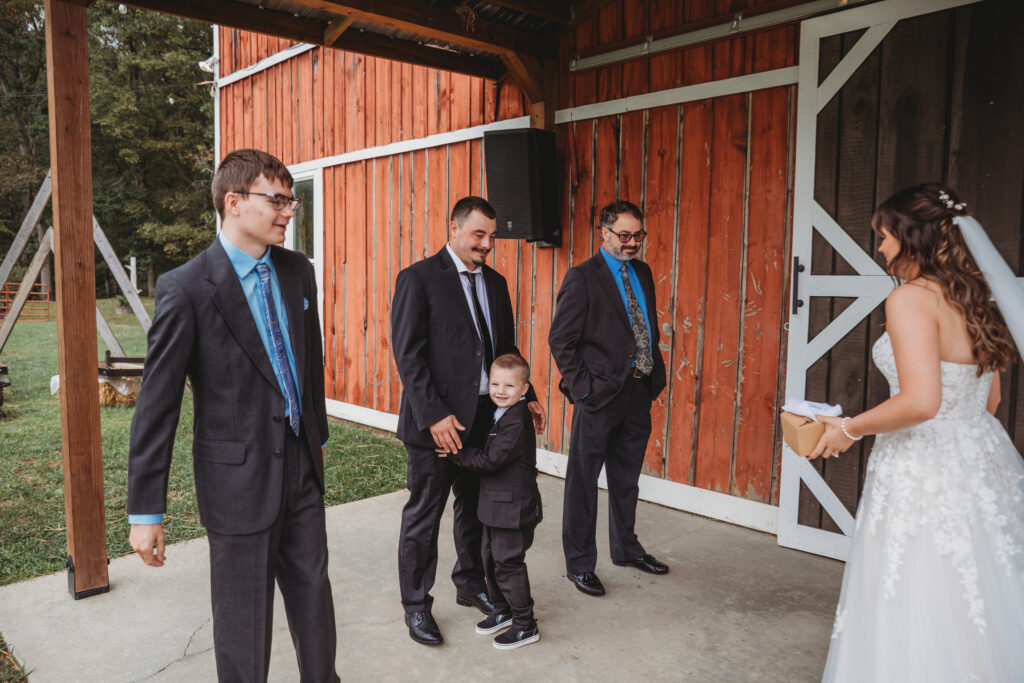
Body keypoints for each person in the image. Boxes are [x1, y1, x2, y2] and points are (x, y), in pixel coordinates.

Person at [127, 149, 339, 682]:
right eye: (278, 199)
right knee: (243, 625)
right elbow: (157, 405)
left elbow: (308, 359)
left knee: (315, 598)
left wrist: (315, 436)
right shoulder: (187, 287)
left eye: (291, 199)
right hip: (236, 484)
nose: (289, 210)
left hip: (300, 468)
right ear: (234, 202)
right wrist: (145, 512)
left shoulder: (297, 271)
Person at [809, 183, 1024, 682]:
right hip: (982, 456)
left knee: (920, 589)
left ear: (910, 237)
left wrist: (849, 427)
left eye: (884, 237)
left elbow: (922, 402)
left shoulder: (909, 300)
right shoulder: (976, 296)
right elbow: (989, 400)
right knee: (986, 588)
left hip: (923, 466)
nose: (880, 248)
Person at [390, 196, 546, 646]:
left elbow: (506, 349)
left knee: (477, 511)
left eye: (492, 237)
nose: (486, 244)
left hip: (486, 419)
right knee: (424, 514)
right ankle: (416, 605)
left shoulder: (496, 284)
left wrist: (526, 395)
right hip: (434, 423)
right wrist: (435, 415)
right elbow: (409, 356)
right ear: (454, 228)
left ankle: (471, 583)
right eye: (479, 235)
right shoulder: (418, 279)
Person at [549, 200, 670, 598]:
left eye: (639, 235)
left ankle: (626, 548)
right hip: (598, 397)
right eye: (624, 235)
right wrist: (584, 389)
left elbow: (645, 325)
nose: (633, 242)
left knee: (626, 480)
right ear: (603, 233)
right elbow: (561, 341)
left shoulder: (643, 271)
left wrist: (654, 371)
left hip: (639, 390)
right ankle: (580, 564)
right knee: (583, 484)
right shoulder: (582, 278)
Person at [444, 353, 543, 650]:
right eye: (496, 383)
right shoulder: (500, 412)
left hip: (513, 509)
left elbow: (492, 459)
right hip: (494, 506)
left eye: (509, 386)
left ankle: (526, 624)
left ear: (525, 389)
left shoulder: (517, 420)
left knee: (508, 563)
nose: (500, 391)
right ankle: (503, 609)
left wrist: (455, 453)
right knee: (489, 559)